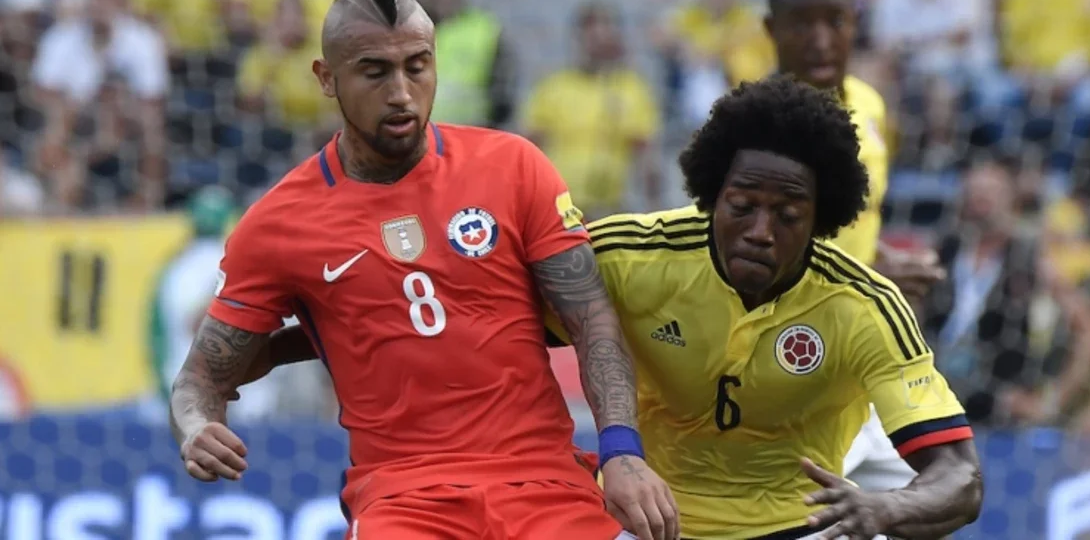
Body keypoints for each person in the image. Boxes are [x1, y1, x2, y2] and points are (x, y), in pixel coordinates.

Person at [244, 77, 984, 540]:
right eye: (741, 205)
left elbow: (960, 479)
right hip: (647, 523)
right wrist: (274, 348)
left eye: (787, 212)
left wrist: (882, 513)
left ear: (823, 217)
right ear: (709, 195)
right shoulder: (631, 257)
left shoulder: (862, 307)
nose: (760, 229)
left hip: (802, 528)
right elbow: (461, 313)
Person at [168, 0, 678, 540]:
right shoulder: (278, 224)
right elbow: (199, 379)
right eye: (375, 72)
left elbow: (593, 321)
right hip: (404, 497)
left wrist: (622, 450)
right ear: (326, 78)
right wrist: (196, 427)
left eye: (417, 65)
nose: (402, 93)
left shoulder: (512, 166)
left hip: (545, 484)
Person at [761, 0, 939, 497]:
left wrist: (880, 262)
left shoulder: (870, 106)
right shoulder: (757, 129)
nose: (820, 39)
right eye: (802, 23)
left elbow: (850, 220)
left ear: (854, 24)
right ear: (772, 30)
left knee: (932, 499)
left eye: (834, 21)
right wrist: (864, 279)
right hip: (795, 365)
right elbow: (744, 254)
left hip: (867, 354)